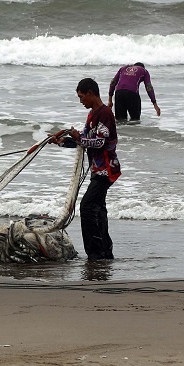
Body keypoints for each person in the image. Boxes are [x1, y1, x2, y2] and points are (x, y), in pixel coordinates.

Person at [49, 77, 120, 260]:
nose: (81, 101)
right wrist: (62, 141)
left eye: (82, 97)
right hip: (98, 171)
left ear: (91, 93)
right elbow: (83, 140)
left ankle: (95, 254)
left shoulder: (105, 113)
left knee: (87, 207)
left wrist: (79, 138)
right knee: (98, 209)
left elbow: (100, 142)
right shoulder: (92, 115)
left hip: (106, 171)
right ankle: (105, 252)